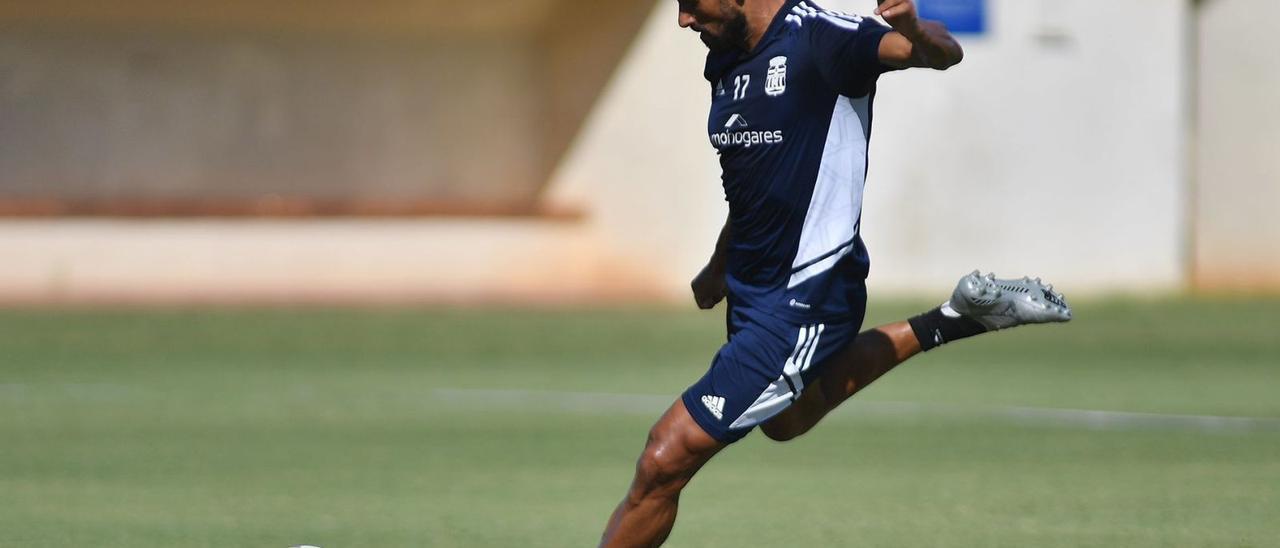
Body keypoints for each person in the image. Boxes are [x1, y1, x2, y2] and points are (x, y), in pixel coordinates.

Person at [599, 0, 1071, 546]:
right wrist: (721, 263)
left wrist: (915, 30)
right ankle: (956, 318)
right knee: (787, 420)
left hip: (808, 295)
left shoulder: (822, 38)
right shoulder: (725, 58)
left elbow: (936, 53)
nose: (683, 20)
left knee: (665, 458)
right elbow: (754, 179)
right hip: (754, 295)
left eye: (690, 3)